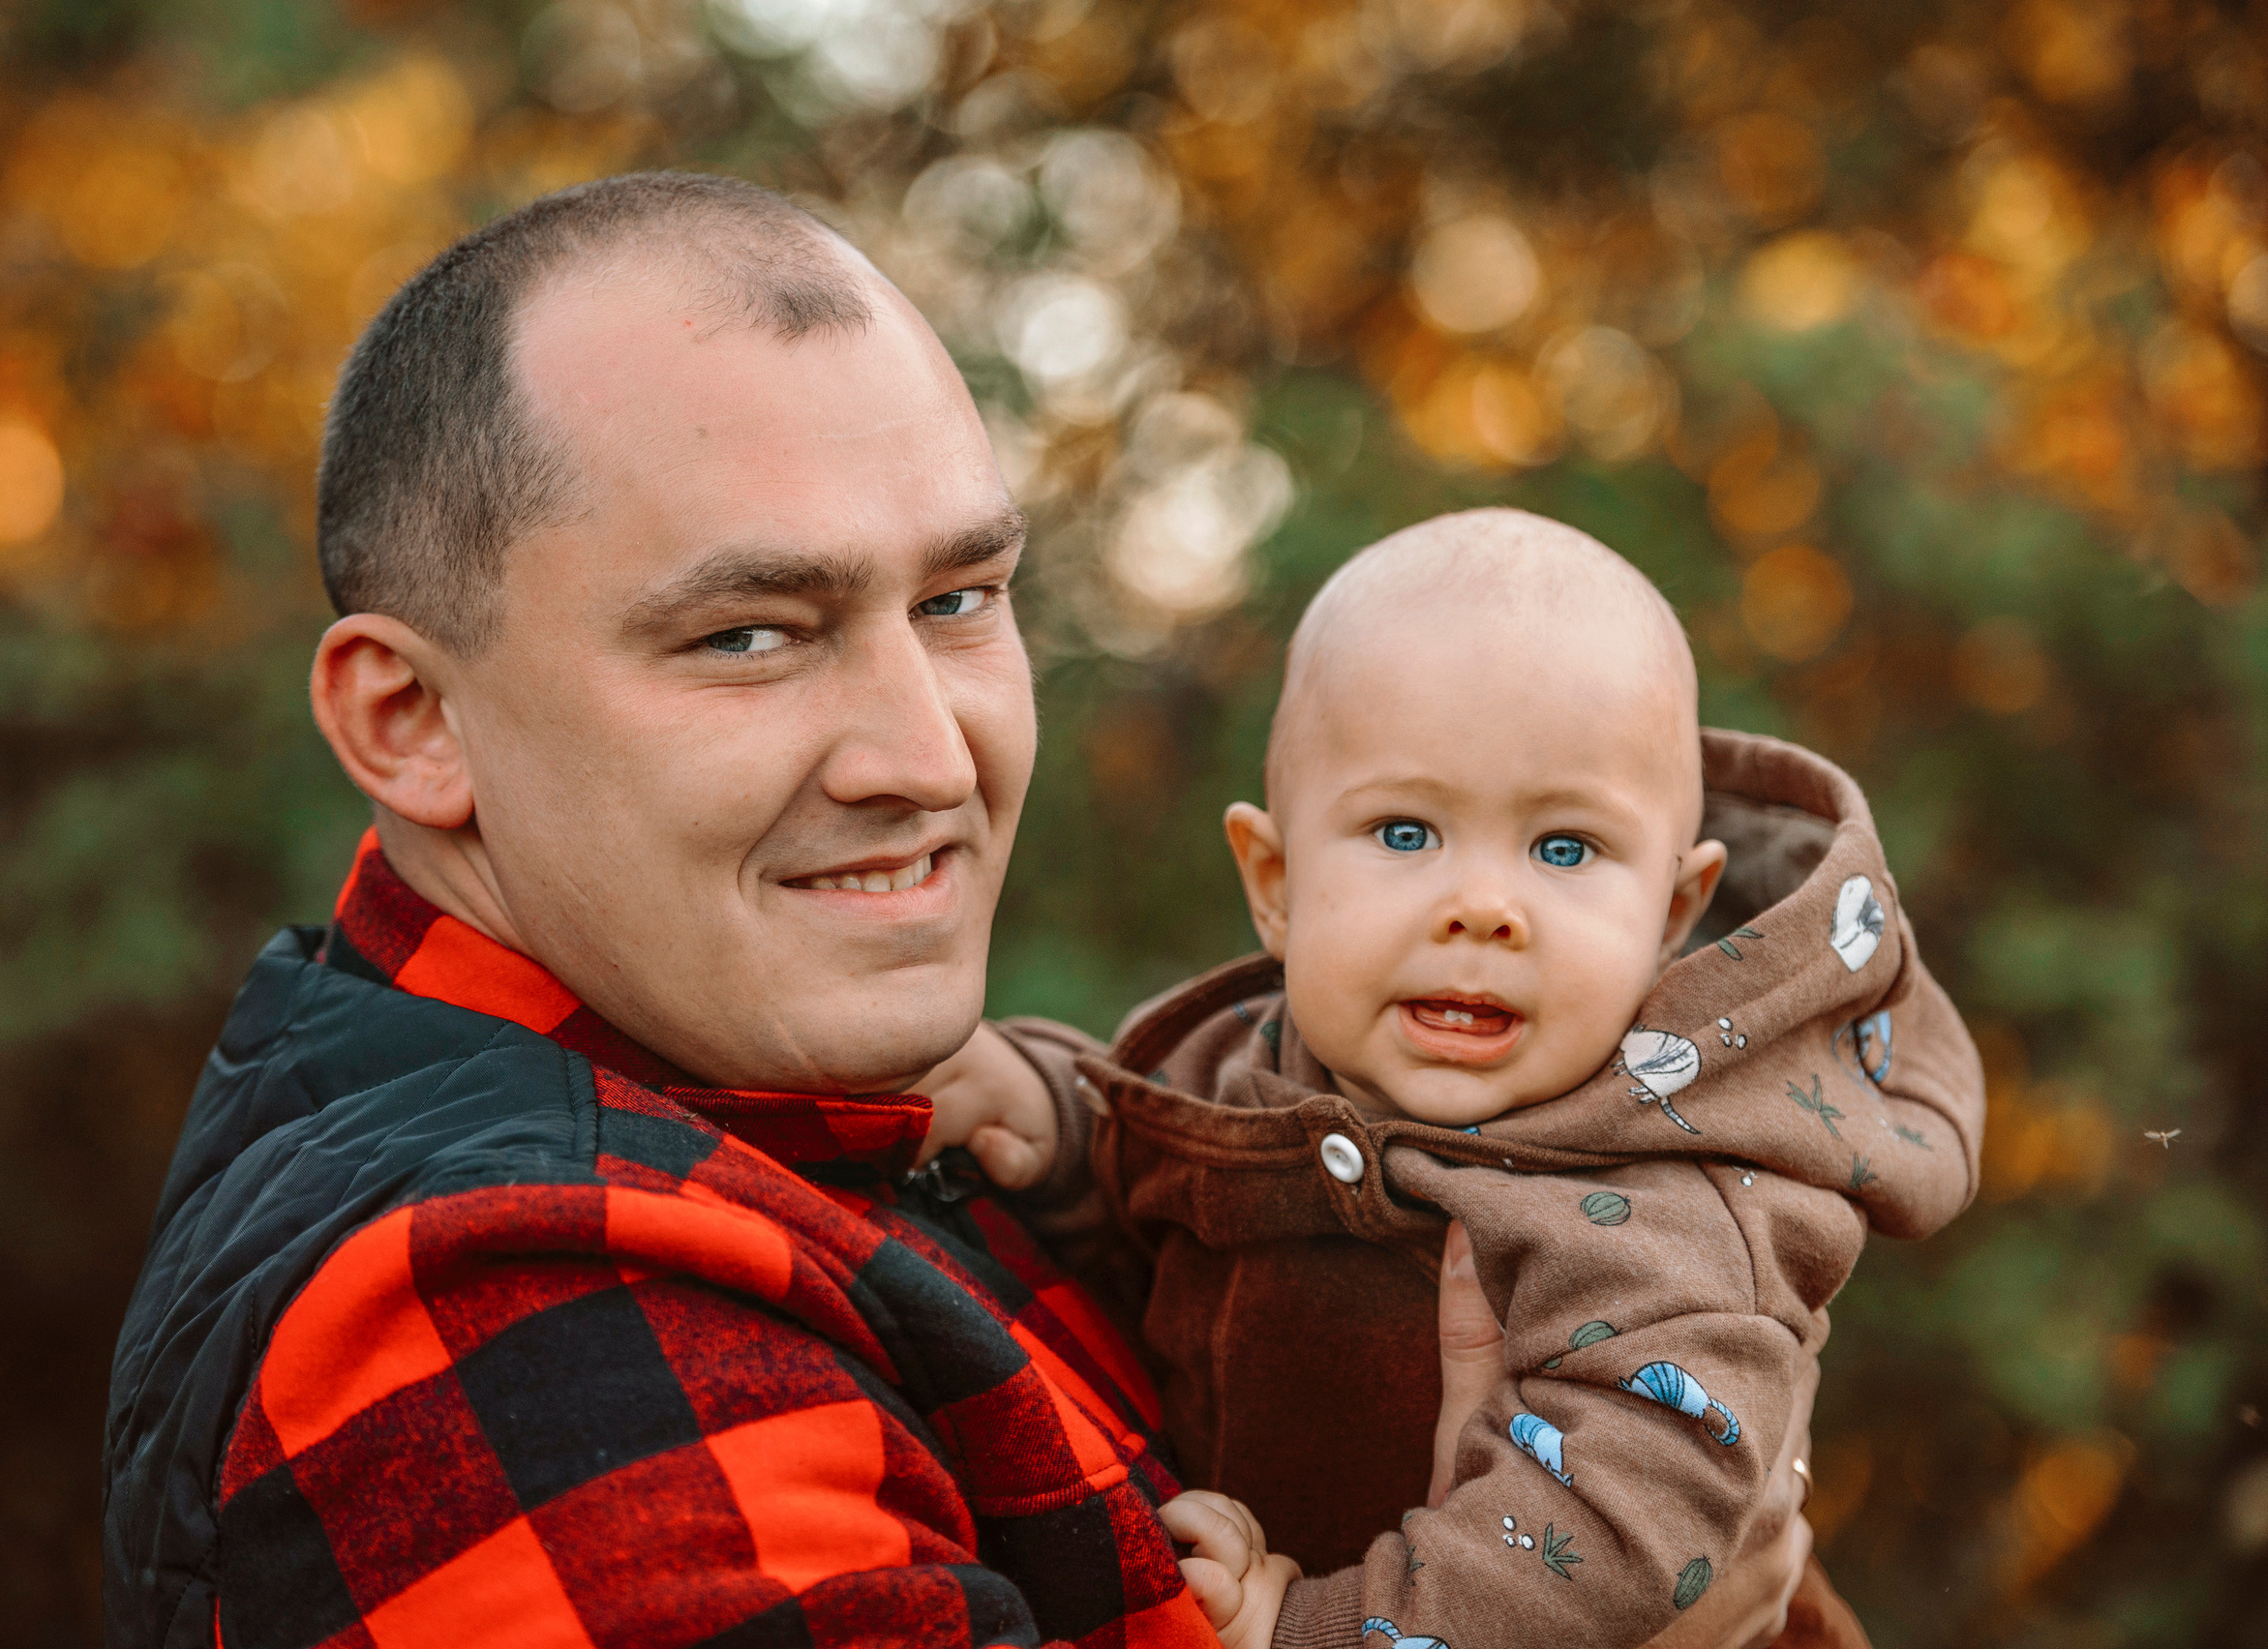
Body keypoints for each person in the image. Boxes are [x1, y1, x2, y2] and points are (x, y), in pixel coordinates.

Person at [102, 173, 1810, 1649]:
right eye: (751, 634)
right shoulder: (515, 1314)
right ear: (415, 719)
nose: (931, 755)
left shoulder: (821, 1116)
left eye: (960, 598)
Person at [932, 510, 1985, 1648]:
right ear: (1275, 883)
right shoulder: (1236, 1057)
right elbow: (1151, 1154)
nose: (1483, 907)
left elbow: (1620, 1525)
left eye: (1564, 848)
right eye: (1404, 832)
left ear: (1670, 915)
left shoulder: (1669, 1209)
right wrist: (1050, 1116)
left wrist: (1317, 1629)